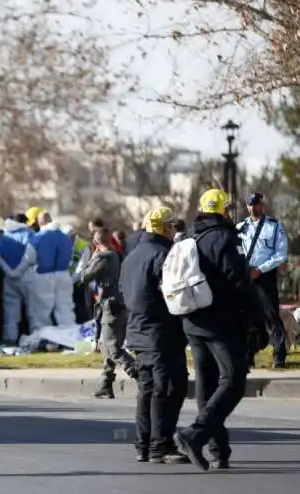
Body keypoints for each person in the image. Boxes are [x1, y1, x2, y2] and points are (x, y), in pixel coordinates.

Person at [174, 189, 266, 471]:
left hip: (192, 320)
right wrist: (256, 322)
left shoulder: (190, 237)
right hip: (220, 322)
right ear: (224, 211)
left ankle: (218, 448)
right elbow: (239, 284)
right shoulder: (225, 238)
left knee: (207, 382)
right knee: (234, 379)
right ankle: (195, 434)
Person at [119, 207, 188, 464]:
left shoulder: (131, 256)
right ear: (164, 228)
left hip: (137, 331)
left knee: (147, 389)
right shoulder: (164, 255)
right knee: (168, 389)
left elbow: (123, 292)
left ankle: (143, 445)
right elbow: (172, 294)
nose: (174, 231)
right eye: (172, 227)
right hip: (161, 332)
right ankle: (161, 445)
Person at [80, 229, 137, 398]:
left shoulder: (103, 257)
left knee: (113, 348)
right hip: (117, 304)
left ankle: (141, 376)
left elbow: (84, 276)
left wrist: (92, 258)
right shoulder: (117, 255)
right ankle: (106, 384)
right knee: (106, 346)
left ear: (96, 243)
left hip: (110, 307)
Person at [237, 192, 289, 368]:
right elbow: (237, 250)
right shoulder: (241, 227)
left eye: (256, 204)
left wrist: (260, 269)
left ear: (262, 205)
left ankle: (279, 354)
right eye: (250, 205)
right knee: (248, 317)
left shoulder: (274, 226)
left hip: (264, 276)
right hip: (247, 276)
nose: (253, 208)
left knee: (271, 316)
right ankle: (248, 354)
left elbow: (280, 254)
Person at [0, 214, 39, 343]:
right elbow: (31, 255)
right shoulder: (29, 234)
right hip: (27, 276)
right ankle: (35, 339)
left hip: (9, 278)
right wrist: (18, 270)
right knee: (33, 310)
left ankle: (10, 338)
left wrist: (10, 271)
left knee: (10, 310)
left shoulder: (3, 236)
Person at [32, 212, 75, 326]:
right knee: (65, 309)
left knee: (42, 311)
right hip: (63, 274)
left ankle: (44, 338)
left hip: (44, 275)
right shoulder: (64, 237)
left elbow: (30, 257)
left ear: (40, 223)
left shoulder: (38, 237)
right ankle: (68, 337)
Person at [63, 226, 93, 324]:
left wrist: (69, 281)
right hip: (66, 283)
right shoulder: (64, 244)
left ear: (74, 235)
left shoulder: (83, 246)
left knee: (80, 310)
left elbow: (81, 268)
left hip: (78, 284)